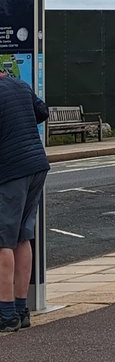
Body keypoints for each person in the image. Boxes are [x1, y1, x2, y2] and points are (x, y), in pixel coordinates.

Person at [0, 73, 49, 334]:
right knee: (22, 236)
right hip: (36, 167)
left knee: (3, 240)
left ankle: (6, 313)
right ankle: (21, 309)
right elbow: (42, 111)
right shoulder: (19, 84)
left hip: (11, 172)